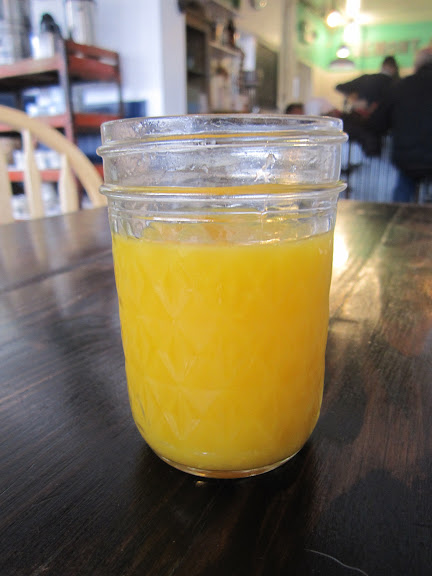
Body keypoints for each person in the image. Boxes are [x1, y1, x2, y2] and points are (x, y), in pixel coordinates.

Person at [368, 47, 432, 202]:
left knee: (402, 196)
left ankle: (397, 215)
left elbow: (377, 122)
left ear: (416, 65)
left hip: (406, 157)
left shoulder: (400, 86)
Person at [336, 55, 400, 117]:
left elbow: (339, 87)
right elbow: (340, 87)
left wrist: (354, 99)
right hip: (377, 118)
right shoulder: (397, 84)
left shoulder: (367, 78)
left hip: (361, 118)